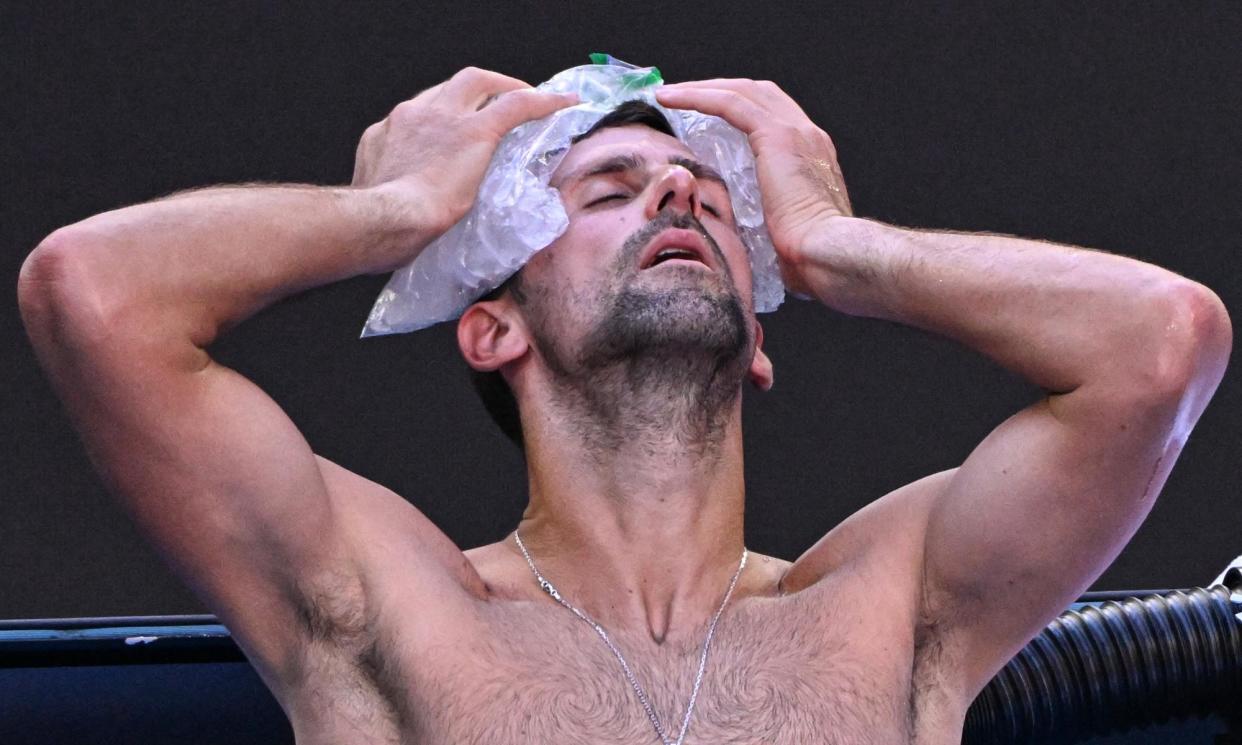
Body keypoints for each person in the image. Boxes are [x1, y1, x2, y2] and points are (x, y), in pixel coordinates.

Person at [17, 66, 1231, 744]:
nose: (674, 196)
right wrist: (391, 217)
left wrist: (831, 243)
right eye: (607, 188)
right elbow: (92, 293)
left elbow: (1161, 342)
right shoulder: (379, 596)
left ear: (757, 341)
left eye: (704, 191)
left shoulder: (894, 601)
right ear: (491, 324)